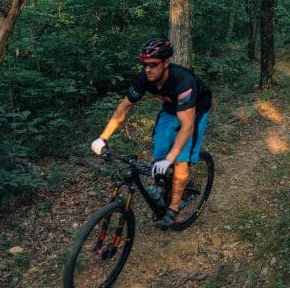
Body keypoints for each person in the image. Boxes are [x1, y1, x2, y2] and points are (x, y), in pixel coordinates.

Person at [90, 39, 212, 230]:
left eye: (153, 64)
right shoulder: (144, 78)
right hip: (171, 108)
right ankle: (166, 183)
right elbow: (124, 108)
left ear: (165, 63)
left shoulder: (183, 80)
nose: (148, 69)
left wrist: (171, 158)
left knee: (179, 157)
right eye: (145, 65)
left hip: (195, 110)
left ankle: (173, 208)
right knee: (160, 149)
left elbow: (187, 126)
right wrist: (103, 137)